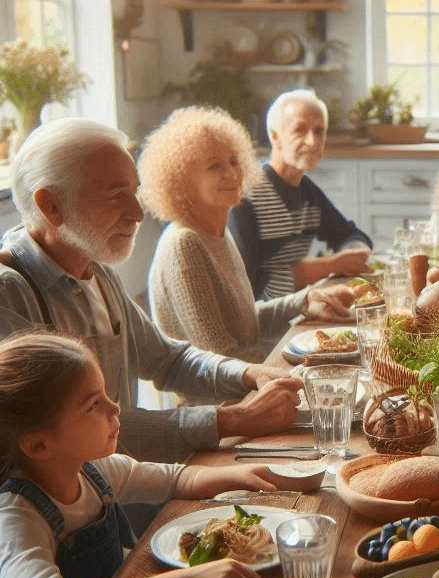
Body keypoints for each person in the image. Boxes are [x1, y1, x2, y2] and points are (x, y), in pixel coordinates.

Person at [0, 117, 301, 463]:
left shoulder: (95, 269)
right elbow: (78, 434)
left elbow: (169, 359)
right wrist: (231, 419)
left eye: (134, 191)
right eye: (116, 196)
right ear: (50, 205)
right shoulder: (10, 292)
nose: (138, 212)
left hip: (127, 483)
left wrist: (249, 373)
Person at [0, 332, 292, 578]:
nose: (115, 406)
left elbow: (173, 478)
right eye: (94, 404)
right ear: (38, 446)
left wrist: (246, 474)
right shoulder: (16, 518)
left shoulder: (93, 471)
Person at [139, 106, 355, 364]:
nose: (231, 174)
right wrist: (289, 366)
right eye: (214, 166)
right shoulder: (185, 244)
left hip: (249, 377)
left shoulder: (218, 233)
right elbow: (220, 356)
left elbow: (243, 324)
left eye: (233, 160)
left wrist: (305, 301)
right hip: (223, 399)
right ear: (183, 180)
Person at [227, 89, 374, 301]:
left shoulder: (307, 191)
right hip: (263, 322)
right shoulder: (244, 195)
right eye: (300, 130)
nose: (313, 142)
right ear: (275, 137)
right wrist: (331, 265)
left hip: (298, 307)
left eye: (319, 131)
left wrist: (354, 253)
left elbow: (352, 234)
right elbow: (251, 281)